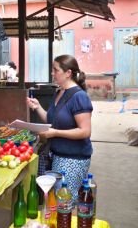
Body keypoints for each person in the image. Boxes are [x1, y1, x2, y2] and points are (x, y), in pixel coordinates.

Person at [26, 55, 93, 201]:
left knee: (65, 201)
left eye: (55, 70)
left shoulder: (79, 96)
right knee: (56, 200)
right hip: (56, 156)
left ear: (68, 73)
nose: (52, 73)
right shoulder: (59, 92)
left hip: (73, 159)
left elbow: (85, 131)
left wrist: (55, 133)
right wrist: (37, 107)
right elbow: (53, 121)